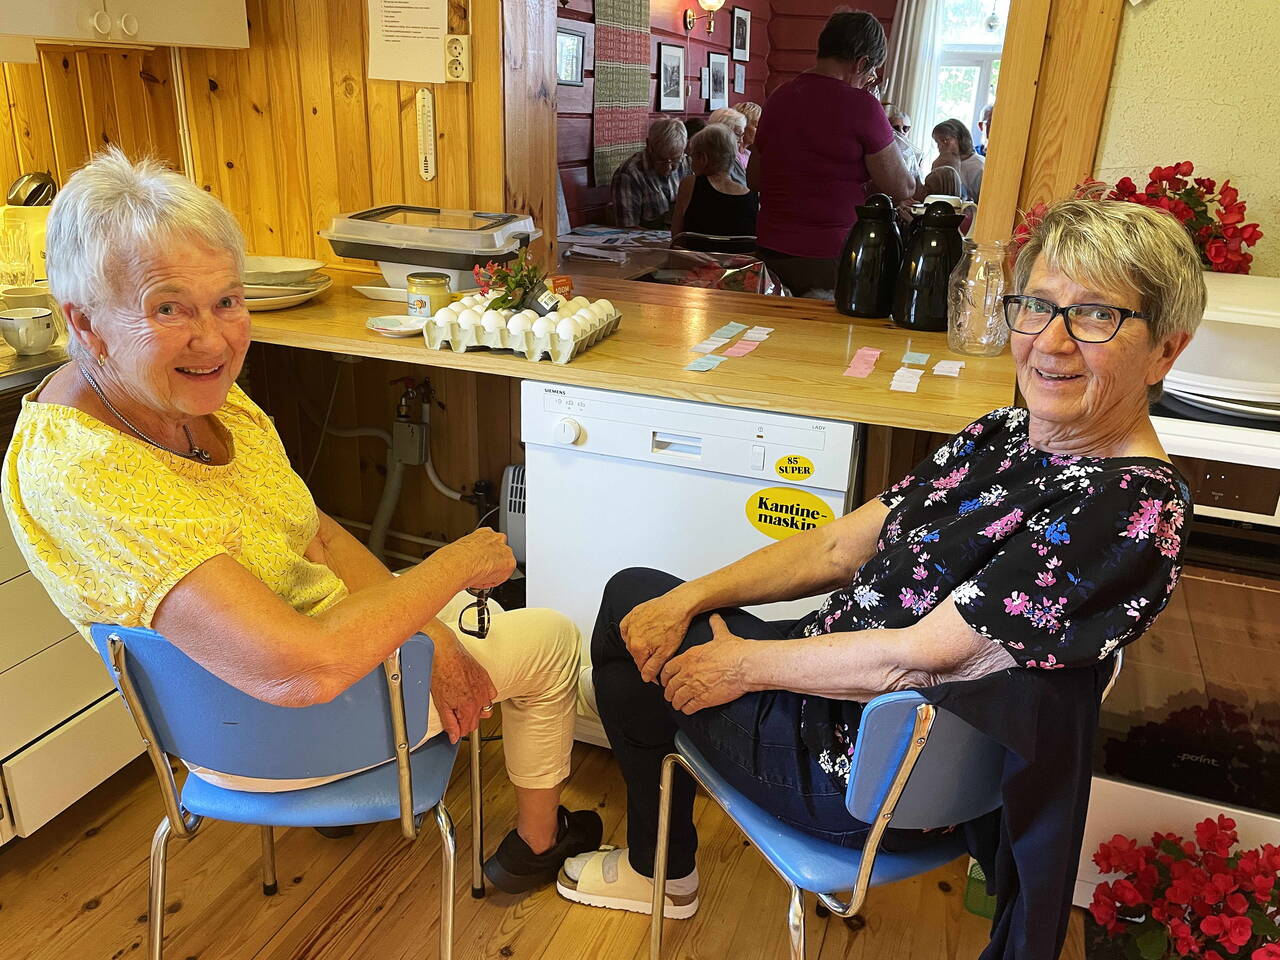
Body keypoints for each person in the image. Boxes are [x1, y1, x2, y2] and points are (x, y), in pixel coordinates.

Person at [556, 198, 1204, 919]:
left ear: (1165, 350)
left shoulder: (1130, 509)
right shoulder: (1008, 432)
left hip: (868, 775)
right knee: (647, 603)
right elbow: (840, 545)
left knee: (624, 634)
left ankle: (659, 870)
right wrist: (691, 601)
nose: (1049, 343)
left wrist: (736, 663)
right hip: (833, 686)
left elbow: (919, 660)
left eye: (1095, 316)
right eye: (1037, 305)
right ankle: (658, 843)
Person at [0, 149, 602, 896]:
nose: (215, 340)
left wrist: (436, 634)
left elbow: (310, 529)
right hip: (273, 721)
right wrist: (455, 567)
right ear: (84, 324)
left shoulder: (195, 395)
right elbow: (301, 669)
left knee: (436, 621)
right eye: (167, 308)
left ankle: (356, 784)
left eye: (227, 300)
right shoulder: (81, 470)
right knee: (550, 642)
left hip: (310, 680)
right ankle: (537, 847)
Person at [748, 10, 918, 298]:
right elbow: (902, 186)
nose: (870, 81)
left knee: (771, 332)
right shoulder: (862, 106)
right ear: (862, 62)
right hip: (830, 254)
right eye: (872, 73)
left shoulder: (779, 96)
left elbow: (754, 179)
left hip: (771, 249)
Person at [670, 124, 758, 241]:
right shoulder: (751, 195)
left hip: (694, 258)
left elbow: (676, 237)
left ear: (703, 159)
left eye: (692, 156)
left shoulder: (690, 184)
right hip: (740, 258)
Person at [610, 118, 690, 229]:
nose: (669, 167)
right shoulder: (629, 174)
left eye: (675, 159)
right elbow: (627, 230)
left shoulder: (686, 163)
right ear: (648, 145)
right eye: (662, 159)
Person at [932, 117, 985, 200]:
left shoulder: (979, 167)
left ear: (960, 139)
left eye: (945, 140)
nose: (940, 146)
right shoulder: (941, 163)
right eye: (937, 142)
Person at [706, 106, 749, 185]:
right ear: (722, 133)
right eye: (738, 134)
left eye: (742, 135)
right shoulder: (708, 161)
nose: (741, 140)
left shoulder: (734, 159)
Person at [886, 104, 922, 178]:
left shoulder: (916, 154)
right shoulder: (885, 149)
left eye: (905, 128)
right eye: (896, 128)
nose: (901, 132)